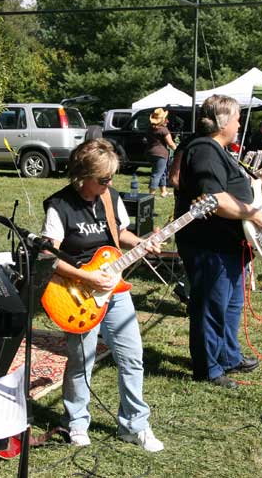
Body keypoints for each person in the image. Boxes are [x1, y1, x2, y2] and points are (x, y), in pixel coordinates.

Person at [41, 138, 164, 452]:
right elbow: (48, 255)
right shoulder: (59, 205)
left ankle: (134, 425)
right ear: (84, 175)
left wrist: (142, 242)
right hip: (77, 291)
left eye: (111, 178)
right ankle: (77, 423)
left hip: (115, 289)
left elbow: (118, 233)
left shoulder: (111, 198)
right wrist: (87, 277)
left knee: (132, 357)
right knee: (82, 361)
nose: (109, 183)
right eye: (104, 178)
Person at [174, 95, 262, 390]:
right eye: (237, 118)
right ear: (222, 122)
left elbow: (233, 190)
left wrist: (259, 182)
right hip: (208, 243)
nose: (240, 123)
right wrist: (254, 213)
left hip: (227, 244)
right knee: (210, 305)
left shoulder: (217, 150)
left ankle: (228, 355)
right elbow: (215, 200)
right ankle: (208, 368)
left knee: (231, 304)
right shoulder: (205, 150)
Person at [144, 108, 177, 197]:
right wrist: (178, 150)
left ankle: (164, 191)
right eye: (165, 118)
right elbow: (170, 143)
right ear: (162, 120)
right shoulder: (164, 130)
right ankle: (151, 195)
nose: (168, 120)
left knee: (162, 172)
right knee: (156, 174)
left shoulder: (150, 129)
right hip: (161, 154)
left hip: (150, 153)